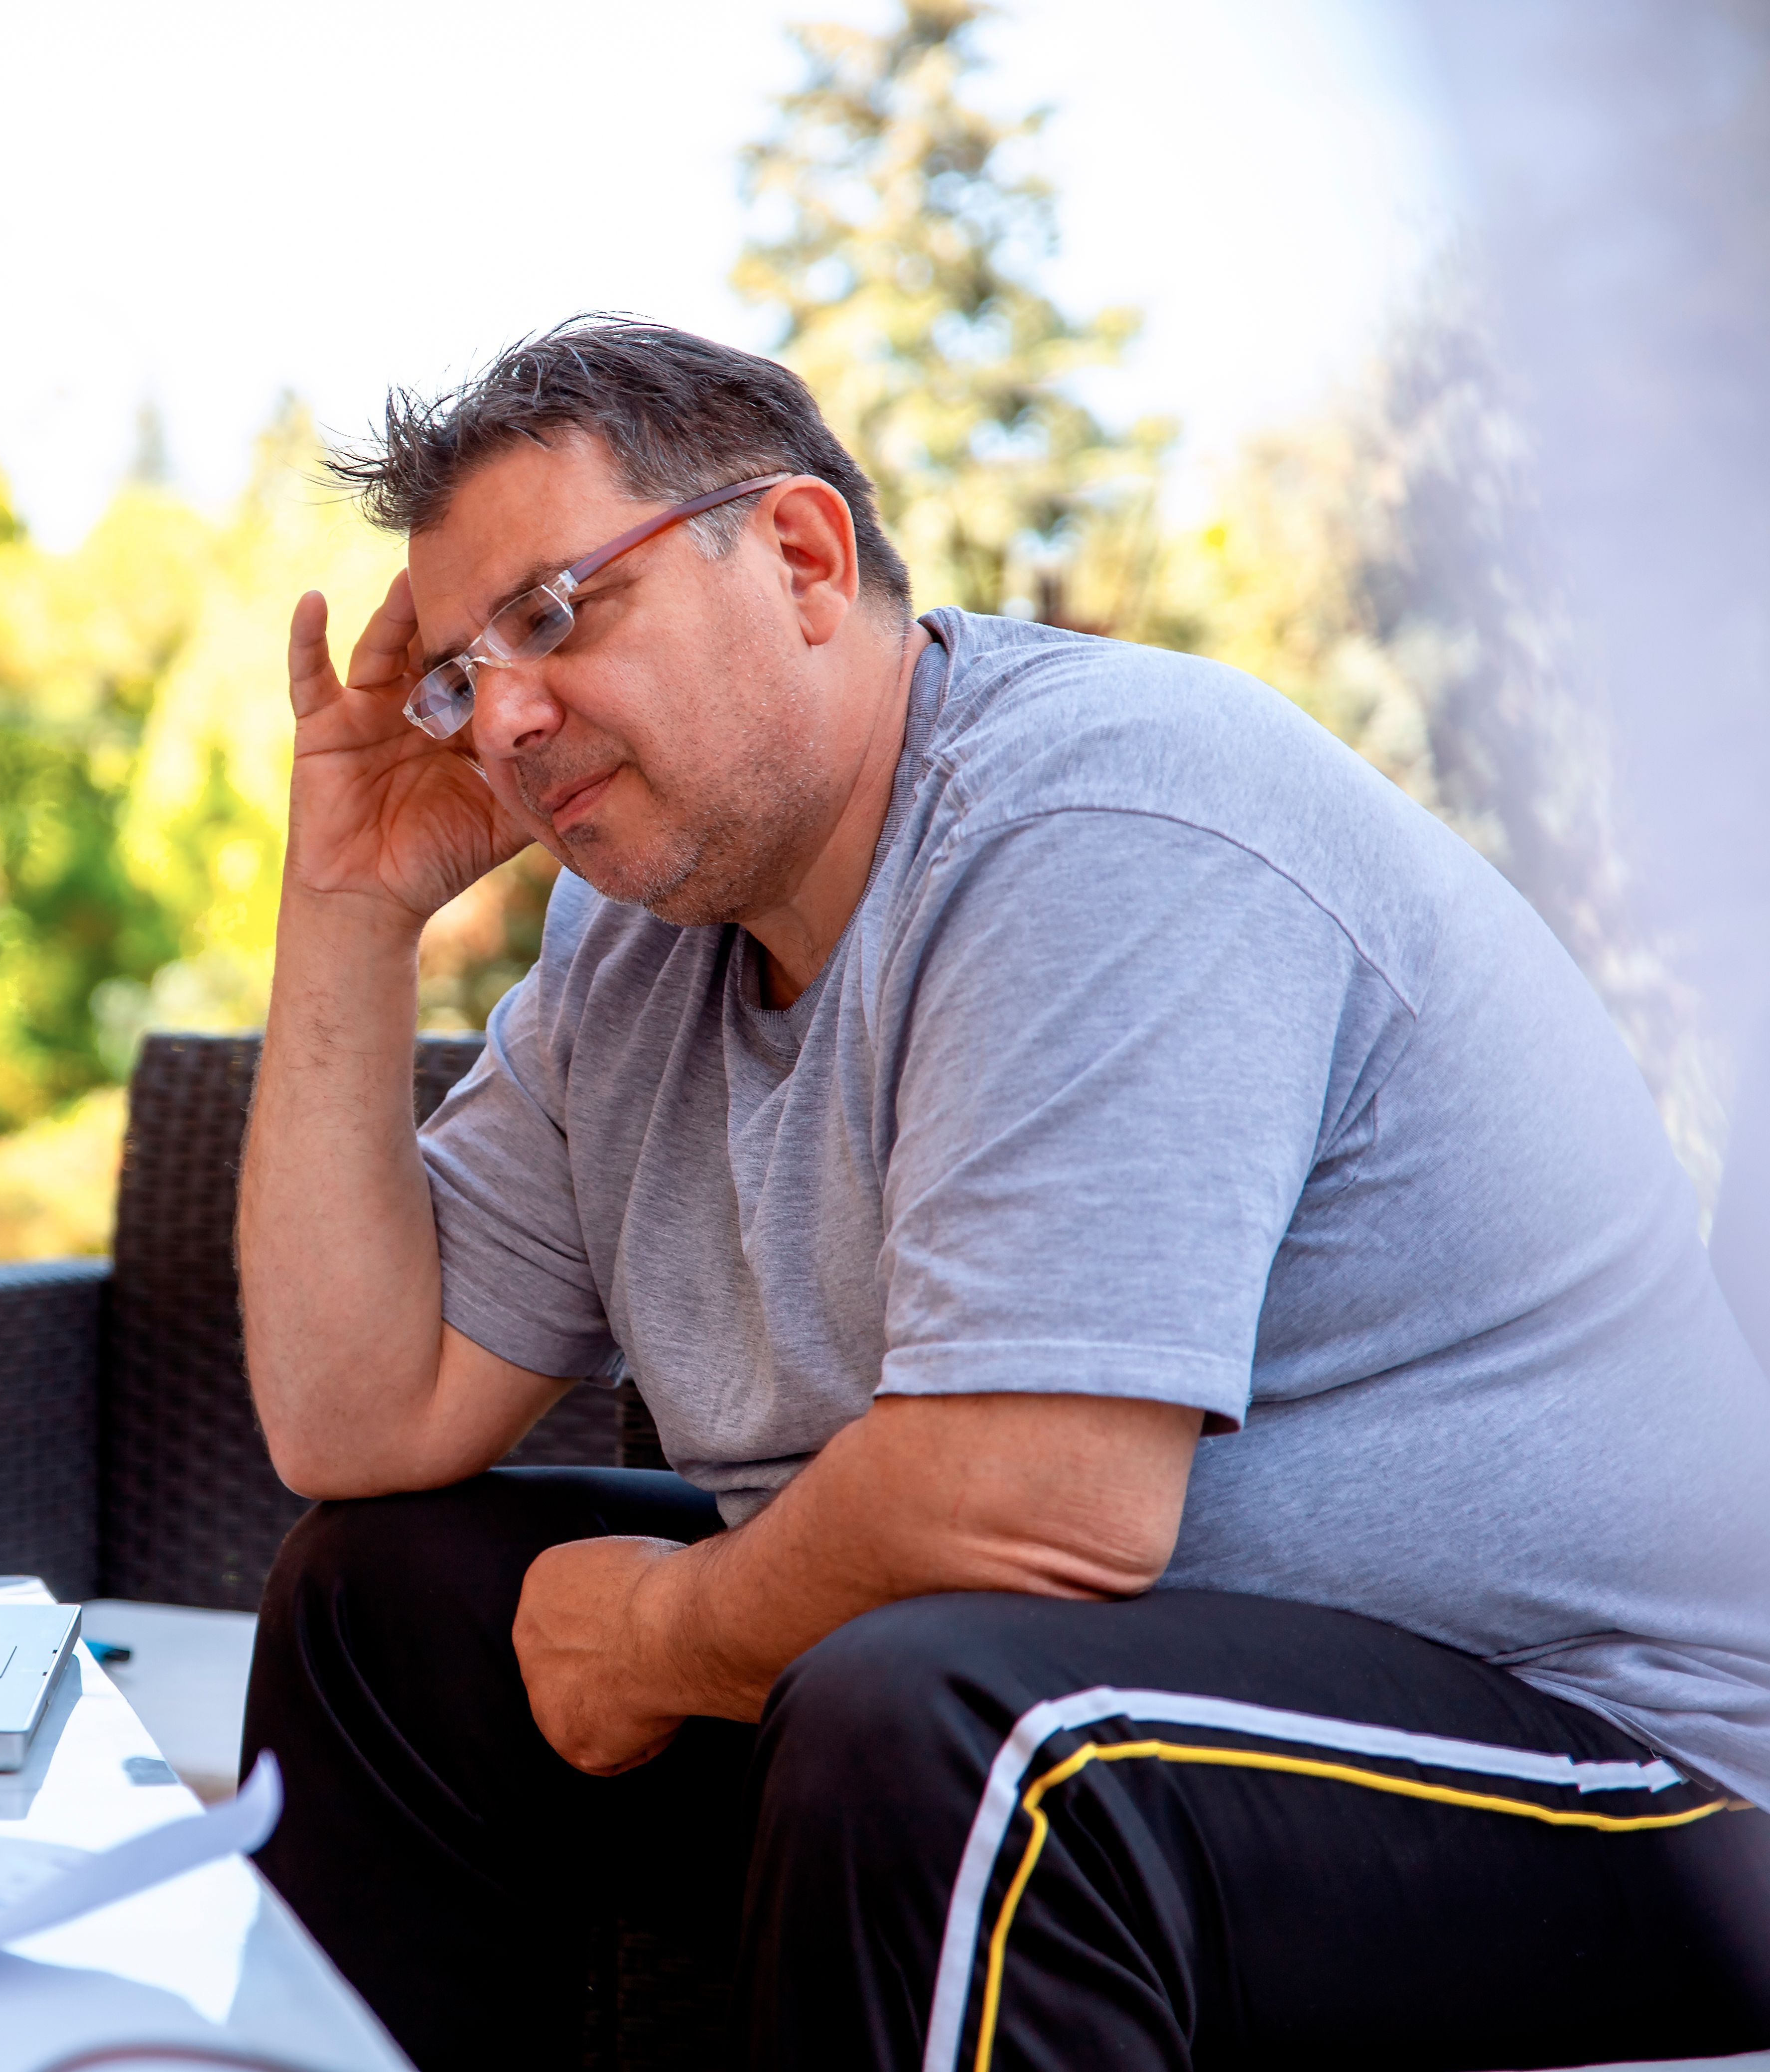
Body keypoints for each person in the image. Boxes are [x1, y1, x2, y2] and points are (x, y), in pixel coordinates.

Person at [234, 317, 1770, 2072]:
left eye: (553, 615)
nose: (500, 717)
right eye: (455, 675)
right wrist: (348, 909)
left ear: (804, 560)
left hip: (1637, 1781)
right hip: (1063, 1714)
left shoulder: (1107, 817)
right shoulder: (633, 948)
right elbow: (356, 1416)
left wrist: (660, 1636)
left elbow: (1036, 1506)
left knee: (957, 1728)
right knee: (386, 1599)